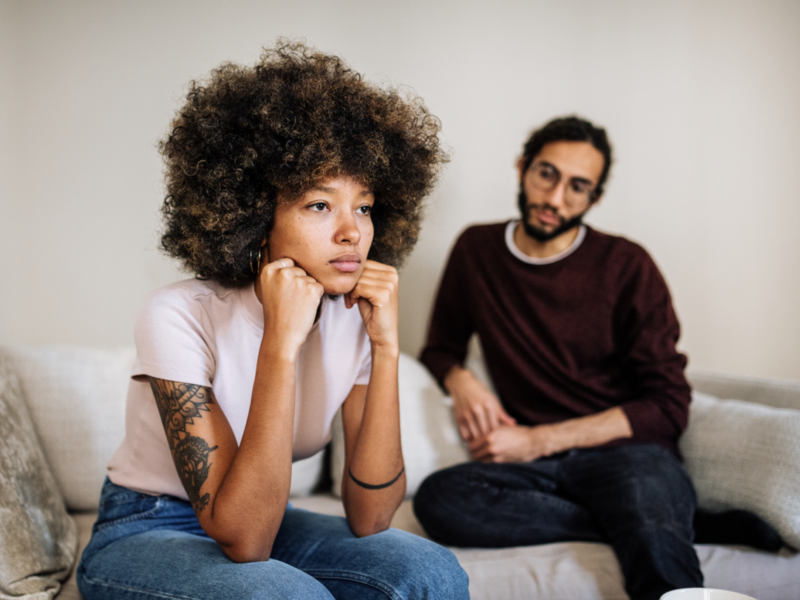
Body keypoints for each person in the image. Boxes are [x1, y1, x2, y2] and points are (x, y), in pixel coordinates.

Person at [77, 42, 468, 600]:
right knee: (282, 595)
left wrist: (385, 345)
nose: (352, 231)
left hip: (263, 513)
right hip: (148, 526)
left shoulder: (353, 317)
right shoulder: (178, 315)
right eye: (319, 205)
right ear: (257, 217)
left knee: (431, 572)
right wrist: (280, 345)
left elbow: (373, 515)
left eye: (364, 205)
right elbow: (246, 540)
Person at [413, 116, 781, 600]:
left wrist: (535, 439)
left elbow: (669, 404)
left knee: (649, 522)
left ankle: (658, 520)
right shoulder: (476, 250)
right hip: (540, 477)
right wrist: (462, 380)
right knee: (442, 499)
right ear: (523, 167)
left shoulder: (628, 265)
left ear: (594, 198)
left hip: (628, 458)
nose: (555, 198)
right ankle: (680, 522)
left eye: (577, 187)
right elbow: (440, 348)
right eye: (547, 174)